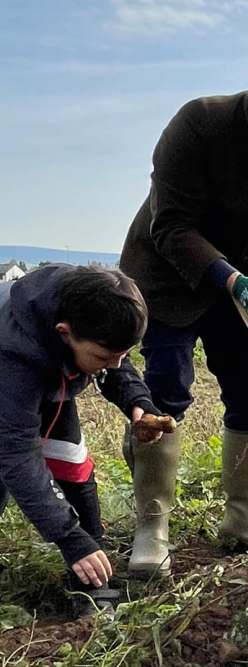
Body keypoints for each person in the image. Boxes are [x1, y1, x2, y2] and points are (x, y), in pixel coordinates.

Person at [119, 46, 248, 576]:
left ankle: (241, 519)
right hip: (169, 276)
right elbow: (171, 226)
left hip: (244, 286)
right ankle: (152, 527)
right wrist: (235, 281)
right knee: (167, 390)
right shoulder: (200, 123)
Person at [0, 264, 167, 616]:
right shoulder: (13, 356)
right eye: (105, 358)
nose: (115, 363)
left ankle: (90, 582)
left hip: (44, 369)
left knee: (71, 461)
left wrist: (138, 403)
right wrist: (68, 537)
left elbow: (114, 360)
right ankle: (81, 550)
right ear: (64, 333)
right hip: (8, 383)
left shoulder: (94, 305)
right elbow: (17, 456)